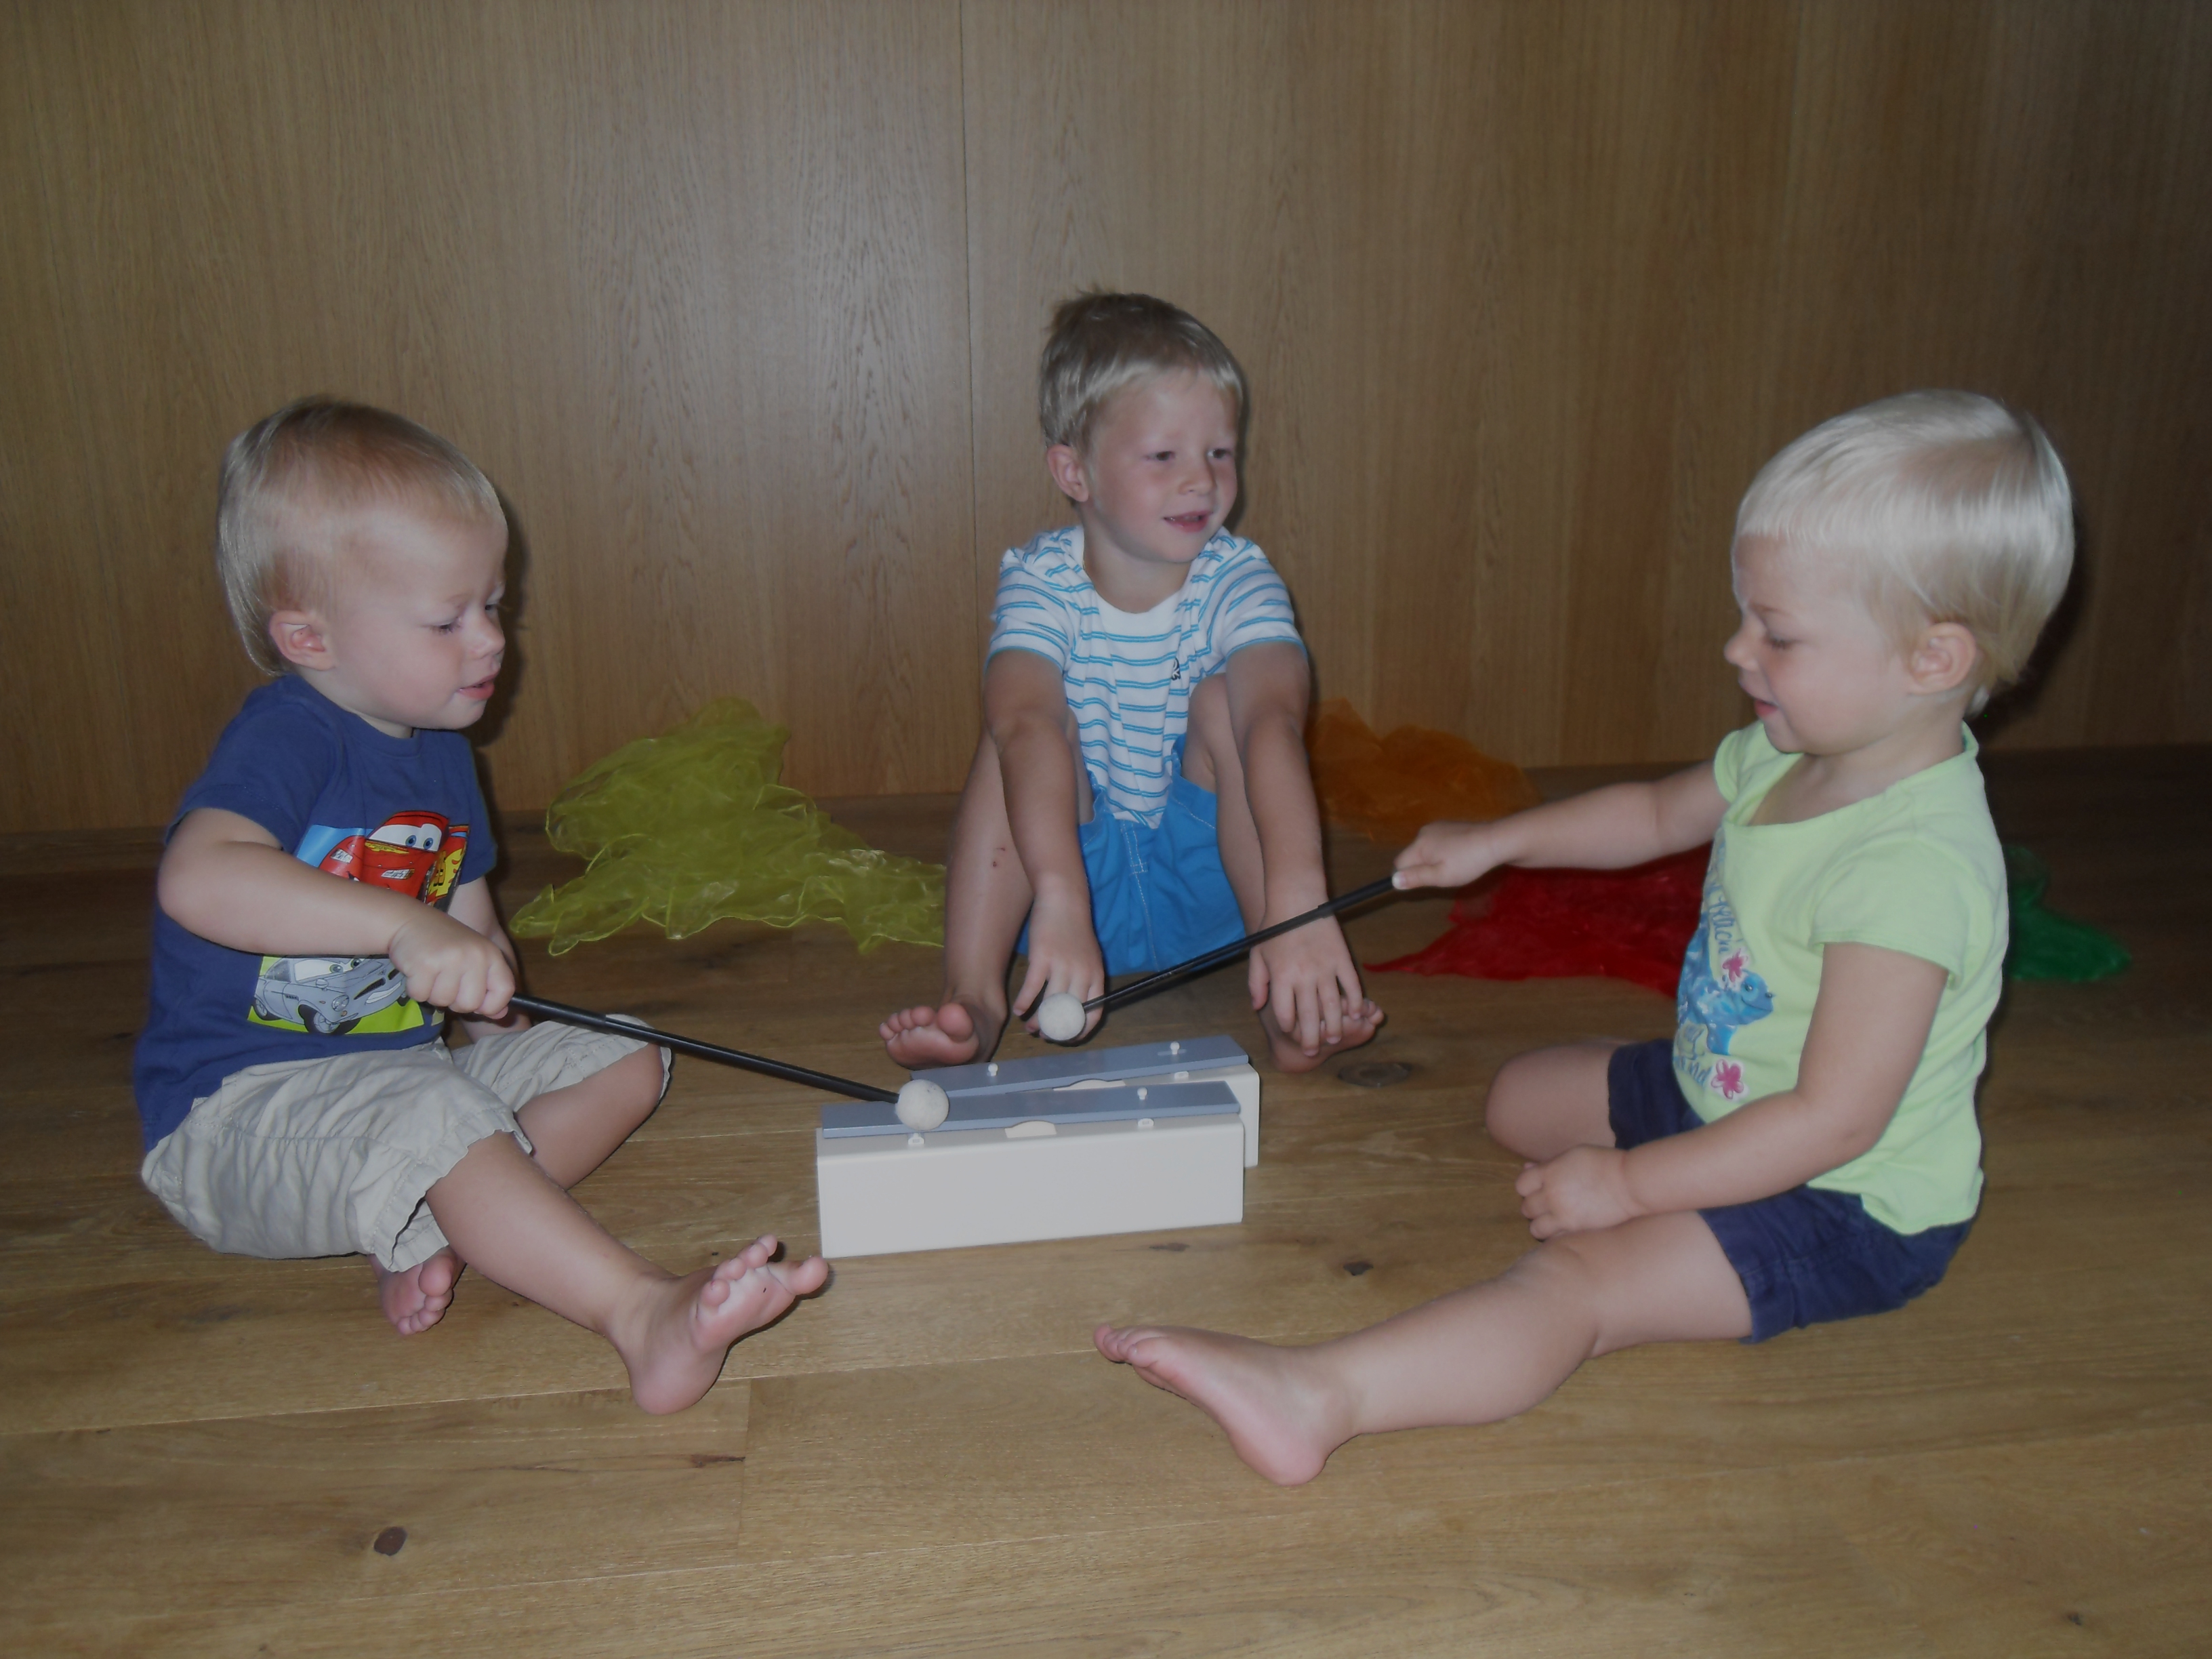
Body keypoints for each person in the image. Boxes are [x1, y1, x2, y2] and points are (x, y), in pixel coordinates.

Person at [1096, 390, 2073, 1483]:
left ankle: (1320, 1398)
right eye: (1745, 615)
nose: (1738, 649)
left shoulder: (1912, 872)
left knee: (1576, 1282)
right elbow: (1654, 815)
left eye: (1780, 633)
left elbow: (1832, 1121)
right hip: (1729, 1096)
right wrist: (1495, 842)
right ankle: (1636, 1177)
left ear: (1934, 659)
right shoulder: (1798, 750)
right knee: (1523, 1098)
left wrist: (1633, 1187)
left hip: (1838, 1197)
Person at [135, 398, 826, 1414]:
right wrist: (398, 925)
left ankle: (439, 1229)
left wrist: (498, 1012)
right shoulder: (288, 736)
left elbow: (470, 928)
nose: (492, 641)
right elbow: (198, 877)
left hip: (399, 1083)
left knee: (628, 1056)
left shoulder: (445, 756)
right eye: (447, 620)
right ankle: (638, 1314)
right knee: (443, 1114)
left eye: (494, 606)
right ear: (309, 637)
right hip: (239, 1121)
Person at [882, 292, 1383, 1071]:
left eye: (1220, 452)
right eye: (1164, 457)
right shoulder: (1040, 582)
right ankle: (974, 999)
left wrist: (1300, 904)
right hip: (1073, 893)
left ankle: (1290, 1008)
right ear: (1073, 471)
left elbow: (1272, 724)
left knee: (1225, 701)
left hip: (1214, 888)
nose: (1201, 481)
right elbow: (1023, 723)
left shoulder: (1239, 580)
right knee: (1020, 730)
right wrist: (1060, 895)